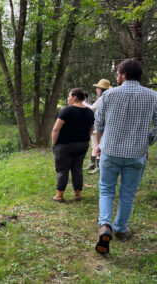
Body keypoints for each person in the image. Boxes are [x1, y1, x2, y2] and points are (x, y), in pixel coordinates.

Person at [94, 59, 157, 255]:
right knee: (127, 193)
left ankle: (105, 225)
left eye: (117, 73)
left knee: (106, 189)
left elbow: (99, 123)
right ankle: (120, 229)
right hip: (136, 154)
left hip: (110, 152)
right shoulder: (153, 96)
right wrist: (148, 141)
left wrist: (99, 144)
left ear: (123, 75)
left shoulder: (109, 95)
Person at [51, 88, 95, 202]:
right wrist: (85, 139)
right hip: (82, 144)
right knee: (77, 168)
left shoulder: (67, 111)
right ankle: (77, 194)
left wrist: (54, 144)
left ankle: (59, 195)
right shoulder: (90, 112)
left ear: (75, 97)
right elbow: (92, 129)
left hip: (65, 145)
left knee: (62, 169)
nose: (68, 98)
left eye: (69, 96)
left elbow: (56, 129)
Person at [83, 79, 112, 174]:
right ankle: (93, 163)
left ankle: (98, 166)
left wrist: (82, 102)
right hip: (97, 124)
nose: (96, 90)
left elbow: (93, 109)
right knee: (94, 145)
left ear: (101, 89)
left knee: (96, 145)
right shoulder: (105, 97)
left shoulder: (102, 98)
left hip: (99, 125)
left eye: (98, 88)